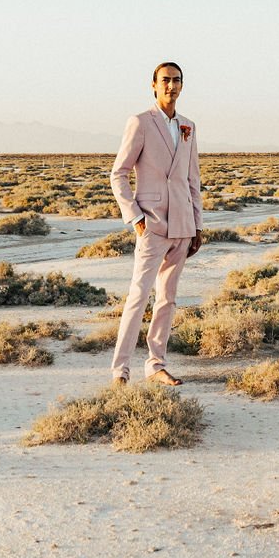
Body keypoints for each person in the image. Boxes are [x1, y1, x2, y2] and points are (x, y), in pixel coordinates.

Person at [109, 61, 203, 386]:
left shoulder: (188, 126)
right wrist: (135, 217)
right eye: (165, 80)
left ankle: (156, 365)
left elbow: (193, 179)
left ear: (182, 85)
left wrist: (197, 225)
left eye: (176, 81)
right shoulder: (140, 123)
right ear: (153, 84)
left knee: (168, 298)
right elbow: (118, 173)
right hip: (151, 224)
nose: (171, 86)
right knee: (138, 295)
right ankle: (120, 370)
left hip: (182, 225)